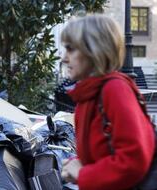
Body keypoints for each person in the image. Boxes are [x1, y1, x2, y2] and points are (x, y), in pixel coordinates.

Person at [59, 14, 155, 190]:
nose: (64, 58)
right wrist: (76, 165)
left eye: (71, 49)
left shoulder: (114, 90)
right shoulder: (89, 95)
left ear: (93, 51)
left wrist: (82, 174)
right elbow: (104, 154)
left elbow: (134, 159)